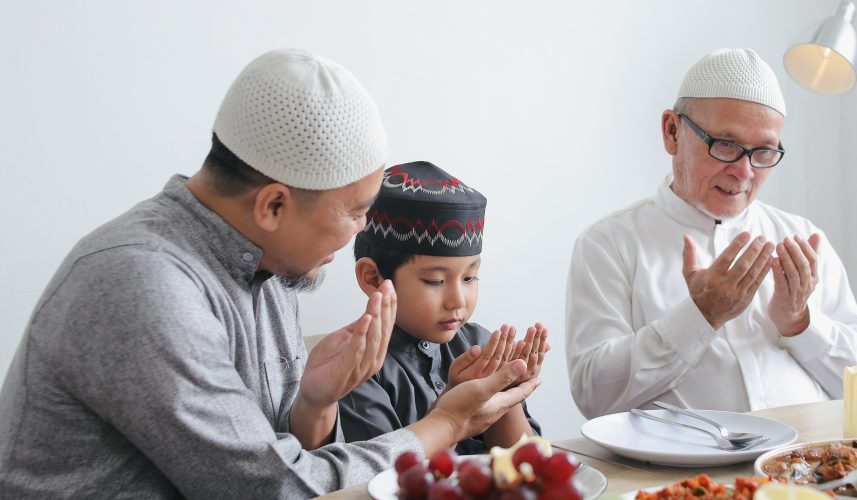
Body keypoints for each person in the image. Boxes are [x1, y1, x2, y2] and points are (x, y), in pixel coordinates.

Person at [0, 49, 540, 498]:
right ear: (274, 205)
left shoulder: (269, 267)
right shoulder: (143, 282)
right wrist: (448, 424)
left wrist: (313, 403)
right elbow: (272, 490)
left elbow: (275, 454)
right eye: (354, 212)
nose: (358, 234)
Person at [565, 48, 857, 419]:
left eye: (763, 152)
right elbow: (593, 395)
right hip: (682, 472)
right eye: (726, 146)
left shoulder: (802, 239)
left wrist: (800, 322)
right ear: (672, 132)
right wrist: (700, 315)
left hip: (804, 467)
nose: (744, 172)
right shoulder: (609, 245)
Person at [339, 161, 548, 454]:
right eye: (435, 281)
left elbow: (528, 465)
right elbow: (382, 477)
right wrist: (452, 408)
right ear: (373, 278)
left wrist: (505, 389)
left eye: (469, 277)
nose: (458, 301)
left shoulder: (480, 346)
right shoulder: (354, 369)